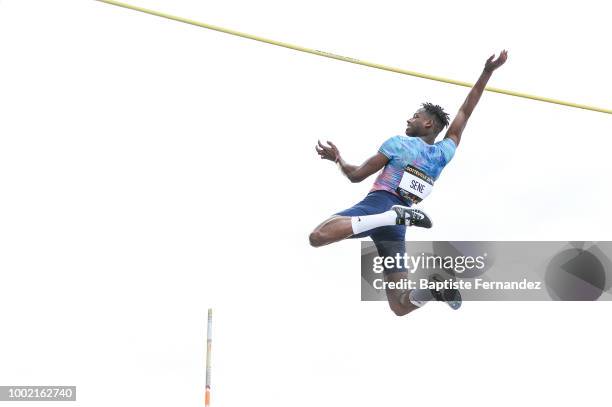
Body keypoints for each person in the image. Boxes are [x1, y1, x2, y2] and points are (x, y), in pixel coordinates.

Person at [309, 50, 508, 316]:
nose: (408, 119)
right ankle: (434, 289)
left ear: (427, 123)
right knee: (401, 305)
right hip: (400, 222)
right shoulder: (443, 153)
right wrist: (487, 73)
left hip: (382, 207)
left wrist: (338, 160)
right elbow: (465, 113)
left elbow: (356, 175)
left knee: (318, 236)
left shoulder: (399, 144)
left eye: (414, 116)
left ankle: (389, 218)